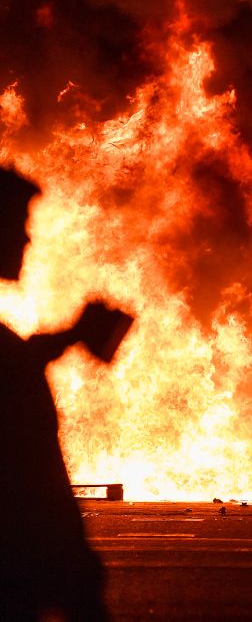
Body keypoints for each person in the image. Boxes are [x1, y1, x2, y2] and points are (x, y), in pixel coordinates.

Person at [0, 168, 129, 621]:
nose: (26, 240)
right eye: (16, 224)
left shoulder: (7, 345)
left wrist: (70, 336)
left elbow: (17, 361)